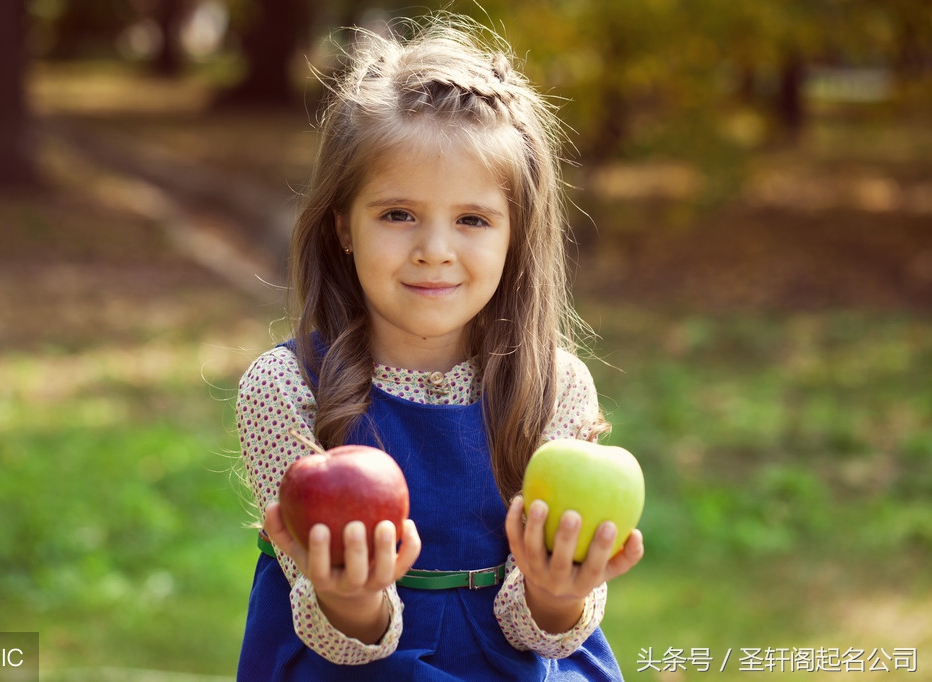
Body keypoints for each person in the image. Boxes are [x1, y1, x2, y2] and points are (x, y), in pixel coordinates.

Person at [234, 13, 644, 681]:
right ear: (342, 226)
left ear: (515, 234)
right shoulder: (285, 389)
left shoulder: (554, 389)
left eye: (473, 220)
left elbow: (542, 630)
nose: (434, 251)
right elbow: (337, 637)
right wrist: (352, 600)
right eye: (397, 214)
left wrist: (555, 593)